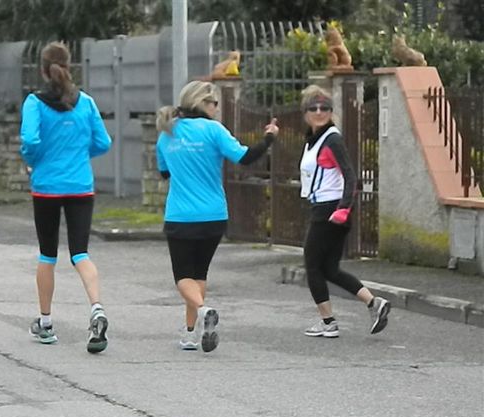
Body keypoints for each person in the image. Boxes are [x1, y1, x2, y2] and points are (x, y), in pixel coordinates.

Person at [156, 80, 279, 352]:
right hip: (213, 215)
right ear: (203, 103)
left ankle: (203, 310)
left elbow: (164, 173)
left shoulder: (167, 133)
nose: (217, 109)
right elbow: (245, 158)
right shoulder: (214, 131)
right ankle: (191, 333)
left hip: (181, 215)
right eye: (214, 104)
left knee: (182, 277)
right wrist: (269, 137)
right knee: (199, 273)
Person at [20, 42, 112, 352]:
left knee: (48, 254)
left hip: (46, 186)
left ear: (43, 70)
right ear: (69, 67)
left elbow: (30, 139)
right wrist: (80, 154)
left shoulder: (34, 102)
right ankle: (97, 308)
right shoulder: (85, 102)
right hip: (80, 185)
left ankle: (45, 323)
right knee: (80, 253)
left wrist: (34, 158)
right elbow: (104, 142)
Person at [298, 85, 390, 338]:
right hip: (325, 208)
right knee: (330, 269)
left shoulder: (332, 139)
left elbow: (351, 177)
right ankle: (375, 303)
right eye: (313, 108)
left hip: (330, 211)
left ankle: (328, 322)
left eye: (325, 107)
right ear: (305, 112)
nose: (319, 112)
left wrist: (342, 209)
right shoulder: (314, 140)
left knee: (313, 266)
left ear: (331, 111)